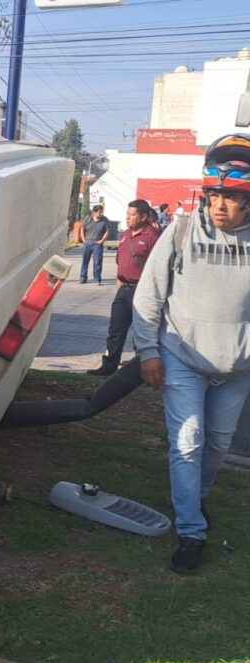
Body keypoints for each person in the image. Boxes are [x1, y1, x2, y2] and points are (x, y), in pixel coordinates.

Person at [132, 133, 250, 574]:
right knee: (187, 442)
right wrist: (148, 351)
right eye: (214, 195)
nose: (219, 205)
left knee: (217, 443)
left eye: (231, 198)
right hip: (181, 356)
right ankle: (191, 531)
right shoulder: (180, 231)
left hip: (239, 366)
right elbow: (148, 297)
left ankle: (194, 499)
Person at [87, 199, 161, 376]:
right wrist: (119, 281)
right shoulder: (126, 234)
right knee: (116, 329)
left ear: (143, 216)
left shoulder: (153, 236)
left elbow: (159, 266)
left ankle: (139, 369)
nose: (127, 218)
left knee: (141, 331)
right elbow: (120, 259)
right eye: (127, 214)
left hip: (142, 290)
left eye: (132, 215)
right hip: (123, 288)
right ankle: (109, 365)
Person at [78, 204, 109, 284]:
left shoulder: (105, 220)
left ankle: (97, 279)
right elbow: (82, 228)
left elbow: (107, 231)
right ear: (94, 212)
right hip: (87, 244)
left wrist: (102, 240)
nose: (101, 213)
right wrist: (83, 239)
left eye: (102, 212)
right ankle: (83, 278)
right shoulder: (88, 219)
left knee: (97, 262)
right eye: (99, 212)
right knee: (85, 261)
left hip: (97, 244)